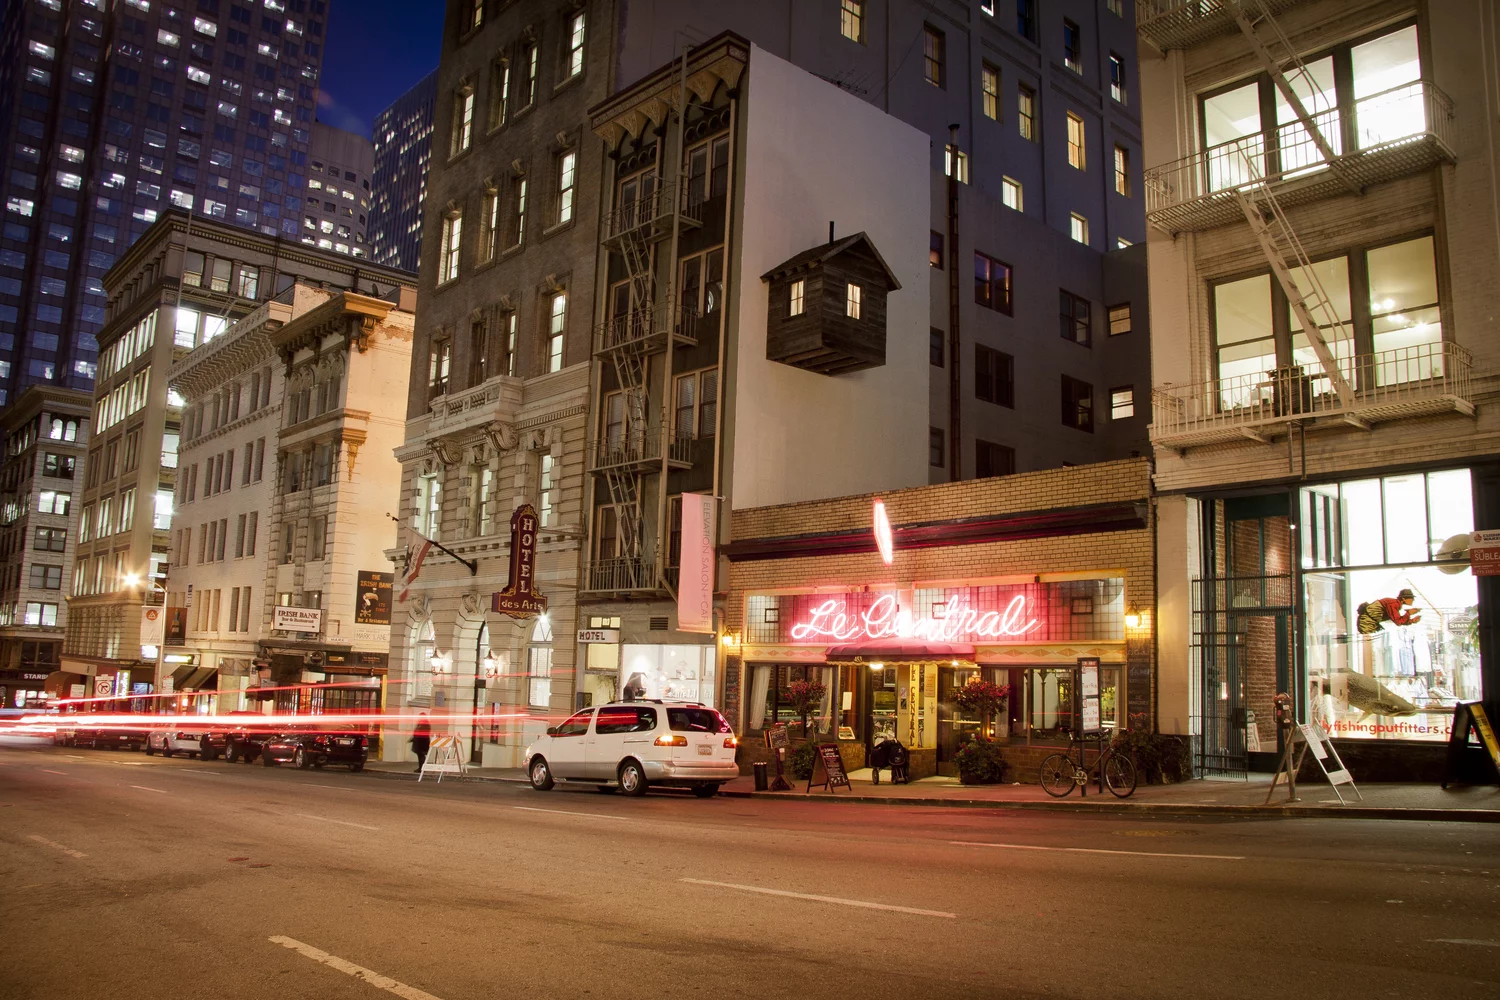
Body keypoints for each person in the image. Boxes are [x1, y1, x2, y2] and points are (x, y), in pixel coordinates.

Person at [1356, 589, 1421, 634]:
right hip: (1366, 623)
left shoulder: (1395, 604)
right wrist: (1409, 613)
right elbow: (1398, 622)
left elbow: (1399, 620)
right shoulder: (1393, 604)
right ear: (1403, 599)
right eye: (1411, 598)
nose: (1413, 600)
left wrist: (1412, 621)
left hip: (1371, 623)